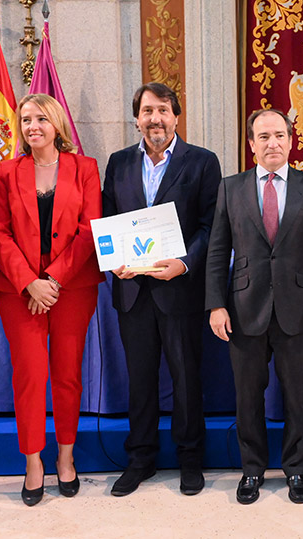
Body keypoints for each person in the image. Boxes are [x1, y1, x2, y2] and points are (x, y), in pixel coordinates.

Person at [204, 108, 303, 505]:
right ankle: (252, 470)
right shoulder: (231, 187)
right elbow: (216, 251)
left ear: (291, 140)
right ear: (251, 145)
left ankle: (296, 470)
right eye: (263, 137)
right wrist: (215, 304)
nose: (272, 143)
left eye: (279, 135)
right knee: (248, 396)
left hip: (298, 308)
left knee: (298, 395)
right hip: (243, 308)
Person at [102, 82, 221, 497]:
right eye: (147, 111)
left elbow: (211, 226)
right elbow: (108, 219)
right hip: (132, 291)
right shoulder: (117, 164)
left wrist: (186, 263)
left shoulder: (203, 162)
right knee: (140, 379)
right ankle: (141, 459)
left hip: (180, 289)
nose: (155, 118)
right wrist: (111, 259)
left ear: (176, 116)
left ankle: (191, 459)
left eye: (163, 110)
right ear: (136, 118)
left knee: (187, 378)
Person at [0, 94, 103, 505]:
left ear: (56, 124)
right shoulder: (6, 172)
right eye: (25, 120)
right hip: (19, 292)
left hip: (72, 288)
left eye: (40, 118)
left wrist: (52, 278)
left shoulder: (85, 169)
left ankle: (66, 458)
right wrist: (30, 283)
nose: (32, 126)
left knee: (68, 374)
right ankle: (34, 461)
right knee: (31, 377)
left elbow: (90, 229)